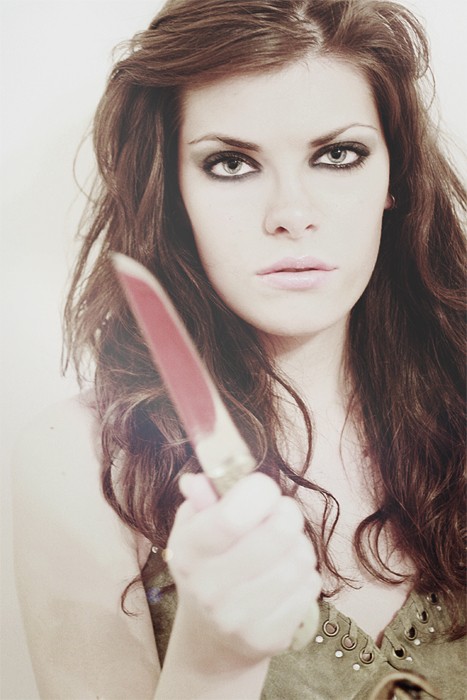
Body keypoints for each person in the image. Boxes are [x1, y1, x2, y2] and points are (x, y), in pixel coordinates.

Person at [12, 0, 466, 698]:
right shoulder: (80, 460)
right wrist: (214, 662)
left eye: (337, 155)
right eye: (230, 163)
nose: (291, 214)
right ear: (172, 192)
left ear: (394, 179)